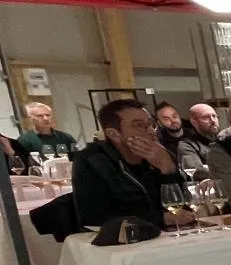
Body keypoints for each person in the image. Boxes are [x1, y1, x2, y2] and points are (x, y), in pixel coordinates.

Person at [72, 98, 188, 228]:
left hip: (168, 234)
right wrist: (160, 218)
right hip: (121, 239)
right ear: (114, 134)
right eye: (139, 125)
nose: (151, 131)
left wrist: (168, 170)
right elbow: (95, 217)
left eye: (151, 125)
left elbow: (186, 207)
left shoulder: (160, 153)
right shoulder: (92, 160)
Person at [182, 102, 221, 172]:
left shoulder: (226, 138)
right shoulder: (187, 145)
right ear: (194, 122)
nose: (213, 121)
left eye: (214, 116)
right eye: (206, 117)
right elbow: (197, 172)